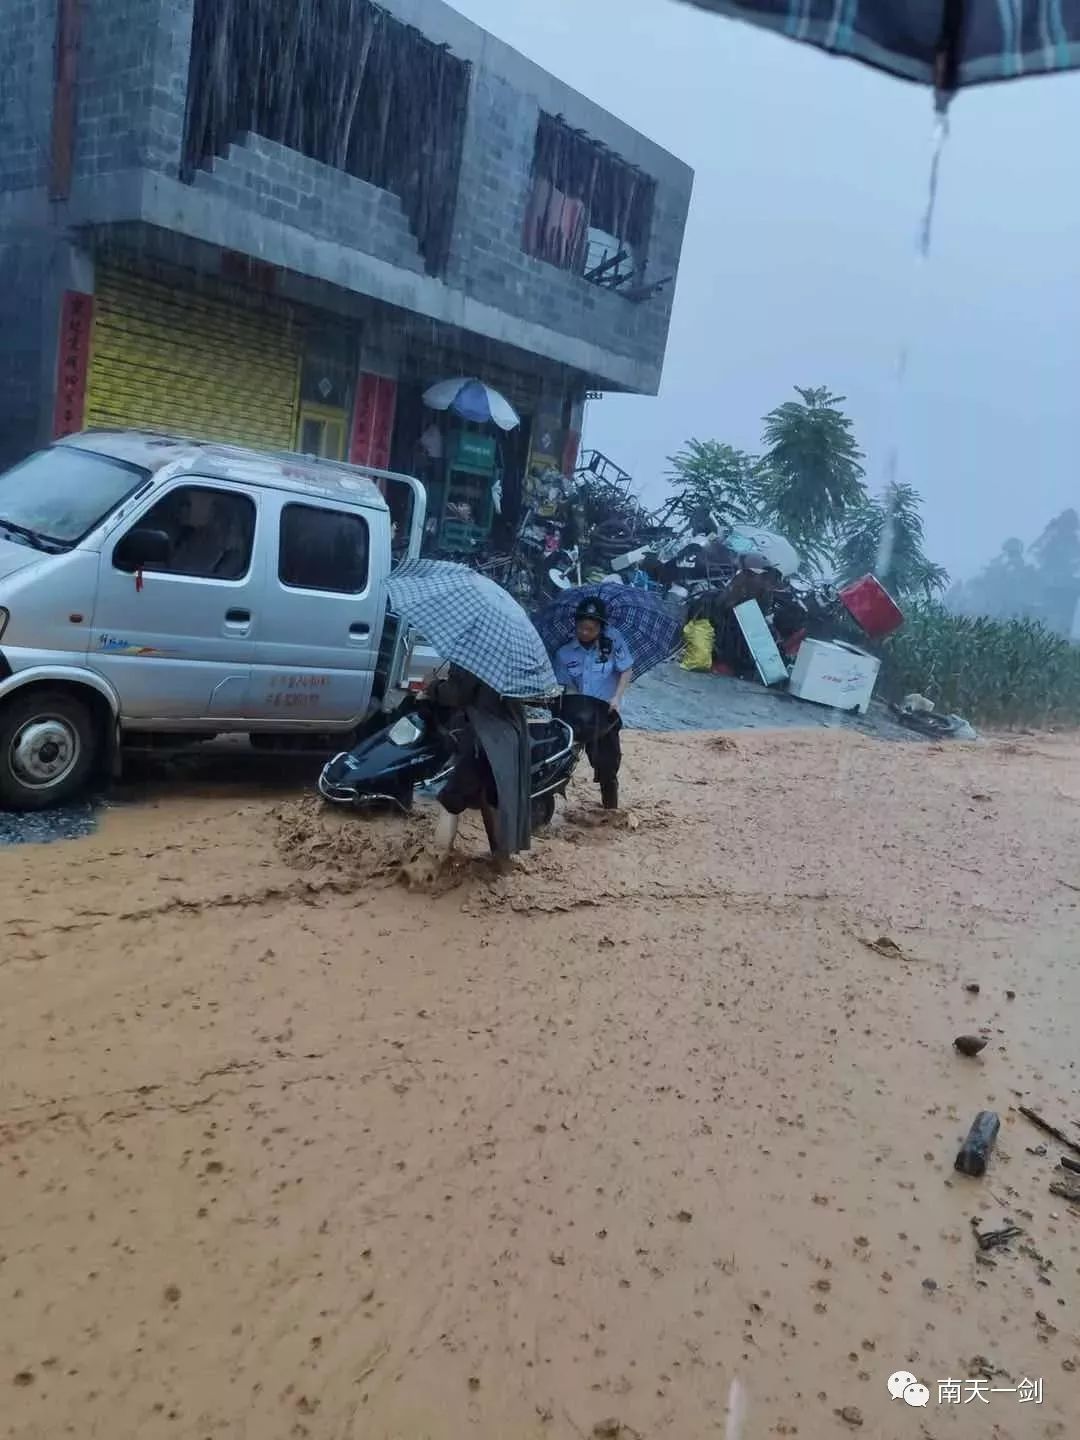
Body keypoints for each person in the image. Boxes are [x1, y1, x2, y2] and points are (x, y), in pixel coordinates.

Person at [404, 665, 530, 884]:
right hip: (509, 735)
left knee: (451, 798)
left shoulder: (474, 656)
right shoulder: (508, 658)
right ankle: (502, 864)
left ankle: (434, 865)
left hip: (484, 739)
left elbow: (458, 693)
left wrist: (433, 686)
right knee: (492, 798)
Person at [553, 596, 633, 810]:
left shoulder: (613, 642)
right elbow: (566, 687)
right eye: (581, 628)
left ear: (601, 627)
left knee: (607, 766)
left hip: (606, 713)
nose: (585, 633)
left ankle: (610, 809)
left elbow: (626, 669)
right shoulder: (564, 653)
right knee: (559, 759)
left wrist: (617, 697)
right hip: (579, 712)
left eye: (590, 629)